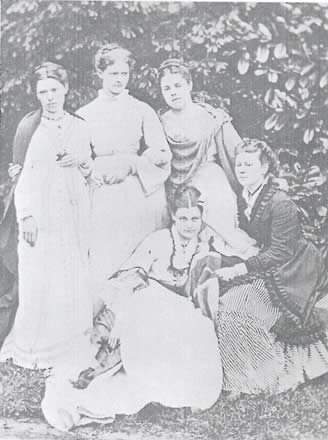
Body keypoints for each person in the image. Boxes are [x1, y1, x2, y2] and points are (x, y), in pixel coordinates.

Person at [41, 186, 251, 431]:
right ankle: (72, 400)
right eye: (183, 218)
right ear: (173, 215)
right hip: (140, 305)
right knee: (109, 358)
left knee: (195, 333)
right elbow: (131, 282)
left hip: (173, 312)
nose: (189, 225)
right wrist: (121, 320)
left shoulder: (203, 247)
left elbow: (214, 279)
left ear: (202, 218)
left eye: (195, 219)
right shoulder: (159, 241)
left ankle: (172, 388)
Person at [215, 138, 328, 397]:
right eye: (239, 164)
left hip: (294, 269)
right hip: (270, 263)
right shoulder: (246, 196)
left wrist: (240, 269)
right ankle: (244, 376)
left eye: (249, 164)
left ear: (264, 169)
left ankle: (265, 377)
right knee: (230, 307)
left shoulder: (280, 202)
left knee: (236, 307)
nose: (241, 169)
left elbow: (281, 251)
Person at [0, 62, 94, 369]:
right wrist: (26, 216)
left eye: (54, 89)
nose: (50, 97)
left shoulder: (80, 125)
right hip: (39, 216)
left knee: (70, 276)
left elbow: (89, 171)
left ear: (65, 89)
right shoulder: (29, 126)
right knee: (38, 277)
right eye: (43, 92)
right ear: (37, 95)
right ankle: (35, 348)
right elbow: (20, 177)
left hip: (71, 213)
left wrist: (81, 160)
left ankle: (67, 347)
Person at [76, 44, 172, 292]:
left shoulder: (141, 109)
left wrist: (132, 164)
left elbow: (161, 153)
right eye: (113, 74)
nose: (119, 79)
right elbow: (78, 159)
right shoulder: (84, 114)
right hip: (101, 189)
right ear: (100, 73)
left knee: (138, 259)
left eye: (124, 74)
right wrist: (94, 171)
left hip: (138, 190)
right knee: (104, 257)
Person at [158, 58, 254, 254]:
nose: (173, 92)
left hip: (209, 174)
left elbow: (238, 150)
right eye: (167, 89)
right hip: (177, 180)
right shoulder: (160, 121)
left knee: (220, 202)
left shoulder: (210, 115)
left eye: (178, 85)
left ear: (189, 85)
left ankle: (224, 256)